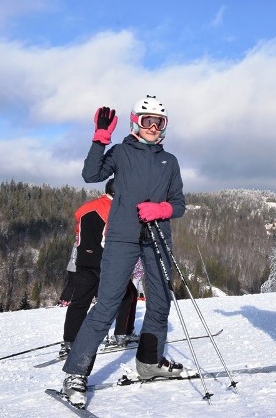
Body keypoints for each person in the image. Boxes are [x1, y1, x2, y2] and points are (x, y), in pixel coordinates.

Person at [61, 95, 186, 407]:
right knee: (107, 305)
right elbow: (91, 174)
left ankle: (149, 363)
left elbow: (179, 204)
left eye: (159, 122)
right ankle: (76, 373)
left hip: (157, 237)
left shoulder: (169, 161)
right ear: (136, 123)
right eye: (148, 121)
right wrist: (99, 139)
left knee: (160, 303)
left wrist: (161, 208)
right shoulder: (120, 152)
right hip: (122, 238)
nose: (154, 127)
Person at [59, 178, 140, 358]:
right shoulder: (115, 210)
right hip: (105, 262)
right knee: (129, 295)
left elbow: (78, 228)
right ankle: (123, 334)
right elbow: (119, 237)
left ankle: (69, 341)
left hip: (83, 260)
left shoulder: (86, 207)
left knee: (80, 302)